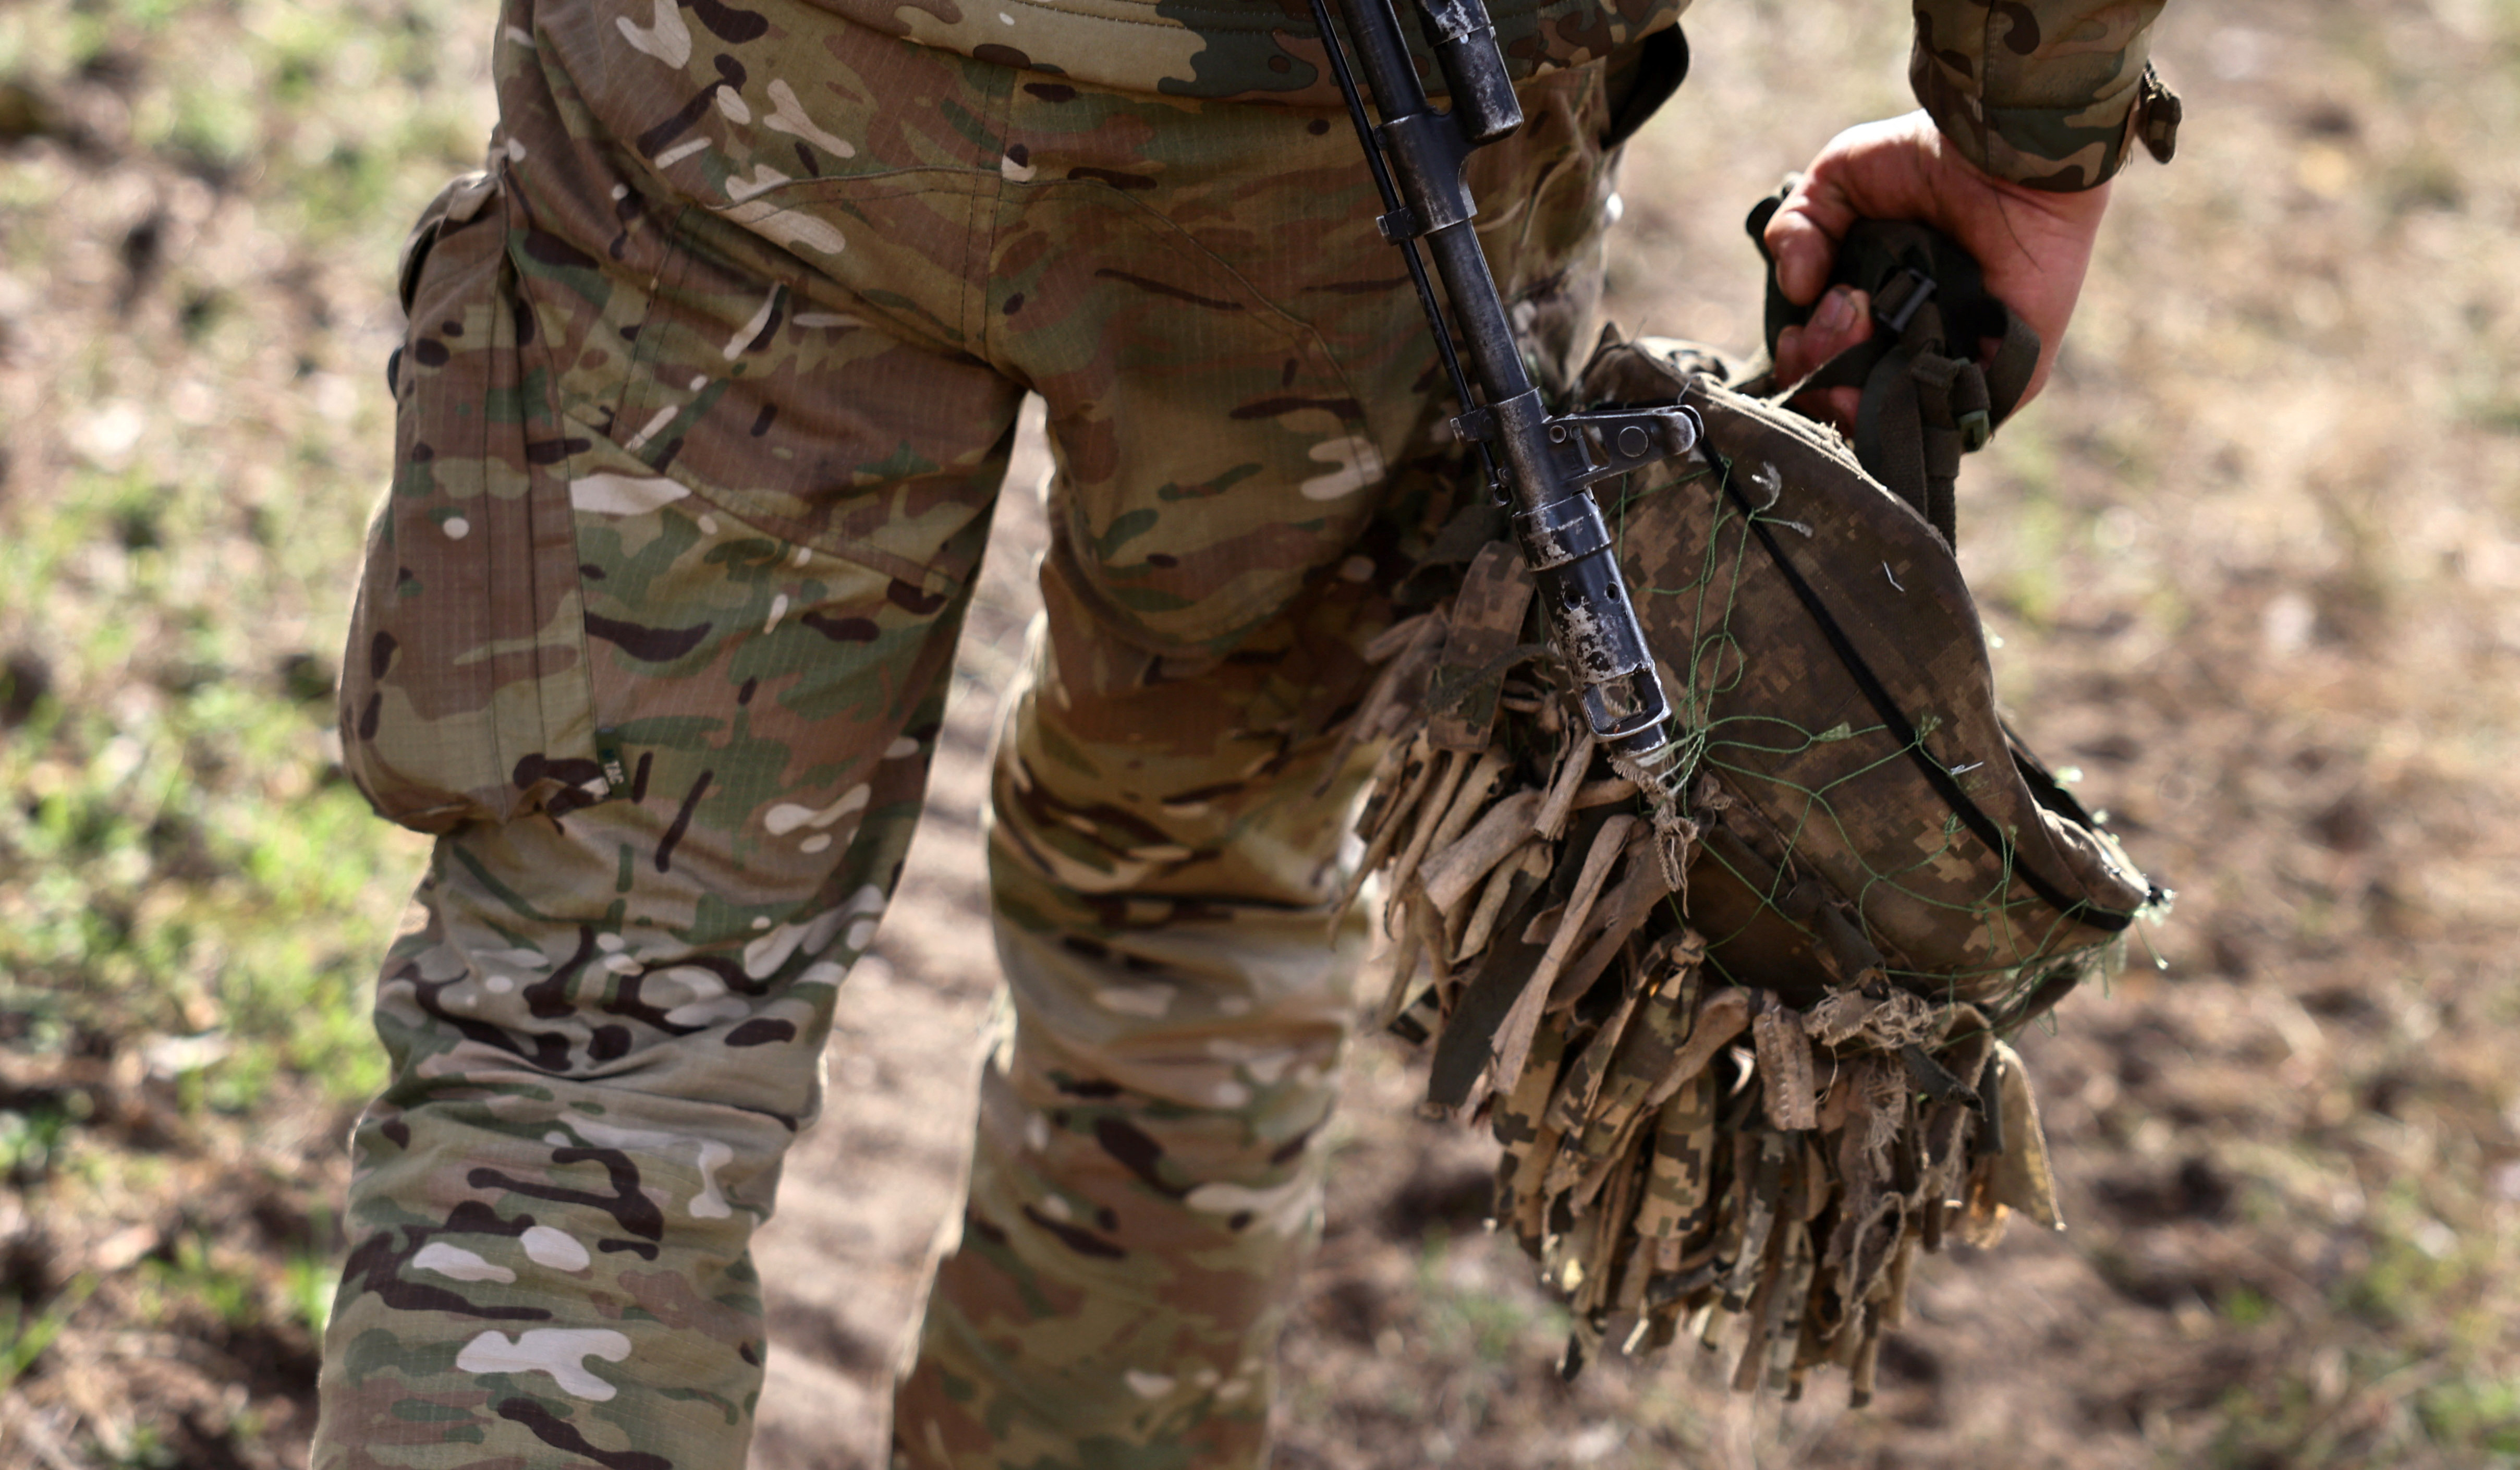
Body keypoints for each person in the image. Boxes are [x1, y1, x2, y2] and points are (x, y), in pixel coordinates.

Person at [313, 1, 2175, 1465]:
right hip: (1353, 165)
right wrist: (2028, 139)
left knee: (594, 1028)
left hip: (736, 86)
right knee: (1185, 951)